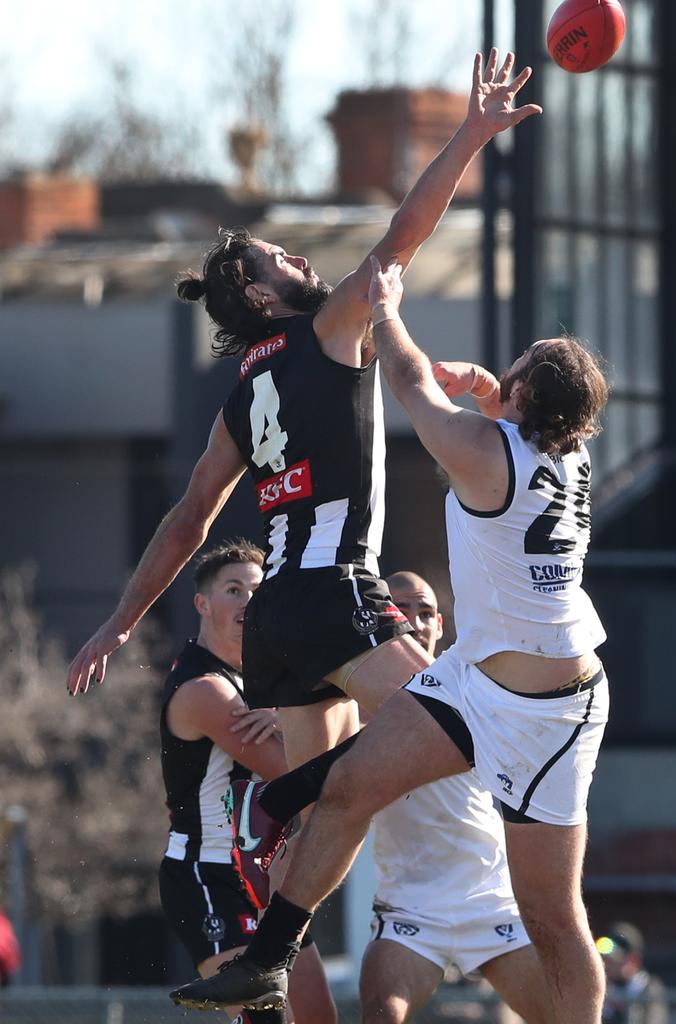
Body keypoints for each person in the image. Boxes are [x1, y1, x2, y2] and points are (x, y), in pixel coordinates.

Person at [66, 51, 542, 796]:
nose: (293, 255)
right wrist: (472, 134)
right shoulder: (325, 327)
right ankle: (297, 792)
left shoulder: (238, 396)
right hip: (334, 590)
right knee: (474, 726)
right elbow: (402, 237)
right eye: (274, 258)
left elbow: (190, 516)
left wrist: (122, 621)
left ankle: (289, 869)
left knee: (329, 812)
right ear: (259, 297)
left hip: (275, 618)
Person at [169, 254, 610, 1024]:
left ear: (527, 394)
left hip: (547, 716)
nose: (505, 374)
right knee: (347, 787)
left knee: (553, 913)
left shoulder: (481, 453)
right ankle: (269, 956)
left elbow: (408, 384)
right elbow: (508, 418)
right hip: (482, 683)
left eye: (519, 368)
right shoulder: (566, 454)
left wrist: (386, 311)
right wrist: (490, 388)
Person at [159, 539, 335, 1024]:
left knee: (319, 1017)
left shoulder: (259, 681)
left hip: (270, 878)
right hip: (209, 874)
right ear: (203, 604)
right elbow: (296, 774)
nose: (245, 603)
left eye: (255, 592)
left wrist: (285, 714)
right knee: (264, 1018)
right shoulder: (207, 689)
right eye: (233, 590)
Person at [360, 572, 548, 1024]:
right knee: (381, 1016)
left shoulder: (468, 681)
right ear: (379, 617)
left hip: (492, 899)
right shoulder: (348, 698)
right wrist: (276, 719)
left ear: (441, 625)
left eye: (426, 613)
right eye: (402, 609)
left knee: (568, 1013)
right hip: (411, 905)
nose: (416, 621)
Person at [597, 922, 669, 1024]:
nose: (607, 965)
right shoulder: (604, 988)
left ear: (634, 960)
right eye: (606, 959)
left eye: (615, 961)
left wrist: (626, 1010)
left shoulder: (649, 988)